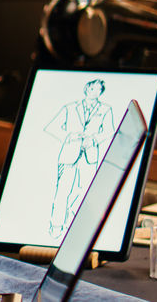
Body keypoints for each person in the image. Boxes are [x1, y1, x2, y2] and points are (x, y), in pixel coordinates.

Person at [43, 79, 115, 238]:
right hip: (69, 154)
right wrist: (69, 135)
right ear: (86, 89)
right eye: (92, 89)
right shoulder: (70, 108)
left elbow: (110, 130)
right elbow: (52, 127)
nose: (95, 92)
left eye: (98, 90)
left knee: (85, 193)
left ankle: (76, 228)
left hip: (90, 155)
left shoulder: (105, 109)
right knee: (63, 191)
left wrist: (94, 139)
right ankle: (56, 226)